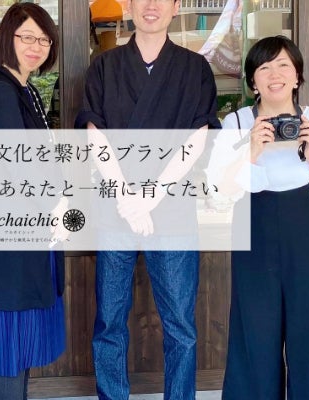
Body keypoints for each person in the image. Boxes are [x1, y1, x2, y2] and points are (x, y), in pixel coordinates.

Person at [75, 0, 220, 399]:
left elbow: (198, 137)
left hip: (172, 210)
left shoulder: (194, 68)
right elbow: (94, 133)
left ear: (175, 7)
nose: (151, 5)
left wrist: (150, 196)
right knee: (109, 323)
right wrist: (127, 197)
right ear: (129, 6)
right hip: (115, 209)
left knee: (181, 327)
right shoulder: (104, 66)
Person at [213, 36, 309, 400]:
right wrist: (250, 152)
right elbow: (221, 192)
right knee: (255, 337)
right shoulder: (236, 122)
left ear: (297, 76)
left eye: (283, 65)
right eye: (264, 67)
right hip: (254, 242)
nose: (275, 74)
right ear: (252, 81)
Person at [0, 3, 65, 400]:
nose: (35, 46)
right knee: (9, 343)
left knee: (22, 342)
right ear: (6, 38)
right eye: (26, 36)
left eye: (43, 40)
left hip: (30, 234)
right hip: (10, 238)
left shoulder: (25, 90)